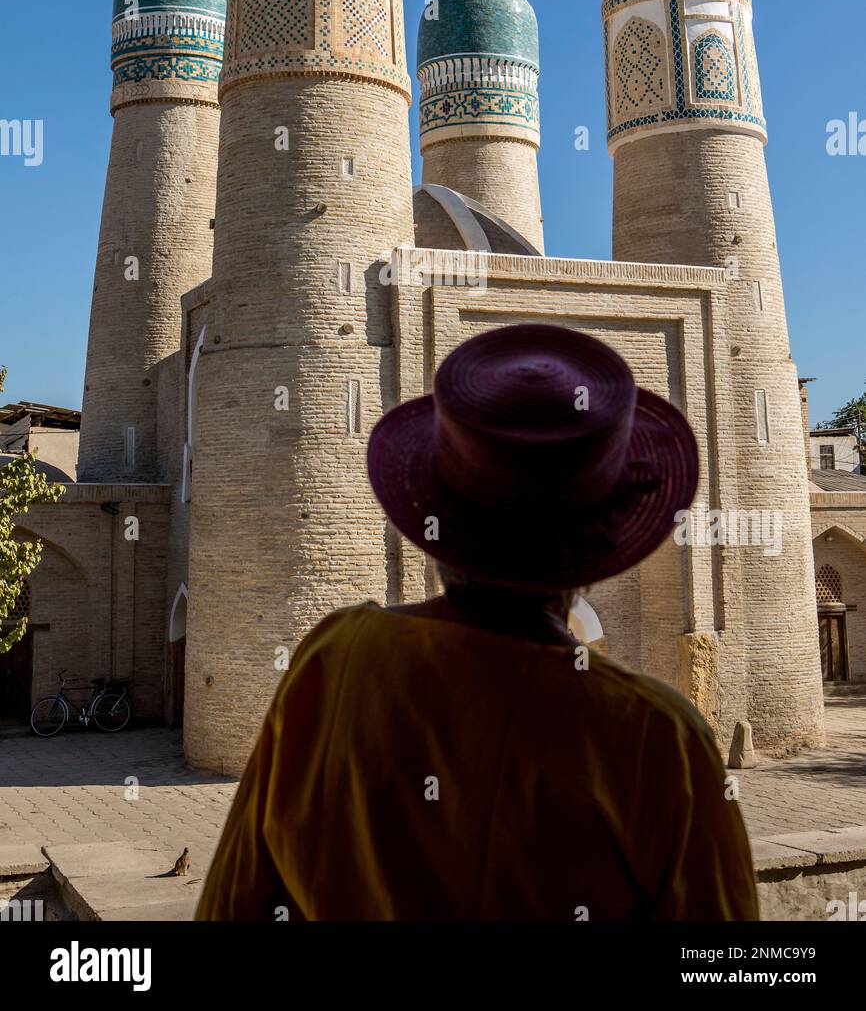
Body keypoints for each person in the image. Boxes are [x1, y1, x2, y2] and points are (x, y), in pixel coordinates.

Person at [196, 323, 759, 921]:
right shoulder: (652, 738)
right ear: (602, 543)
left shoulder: (334, 663)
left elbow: (236, 903)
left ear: (429, 514)